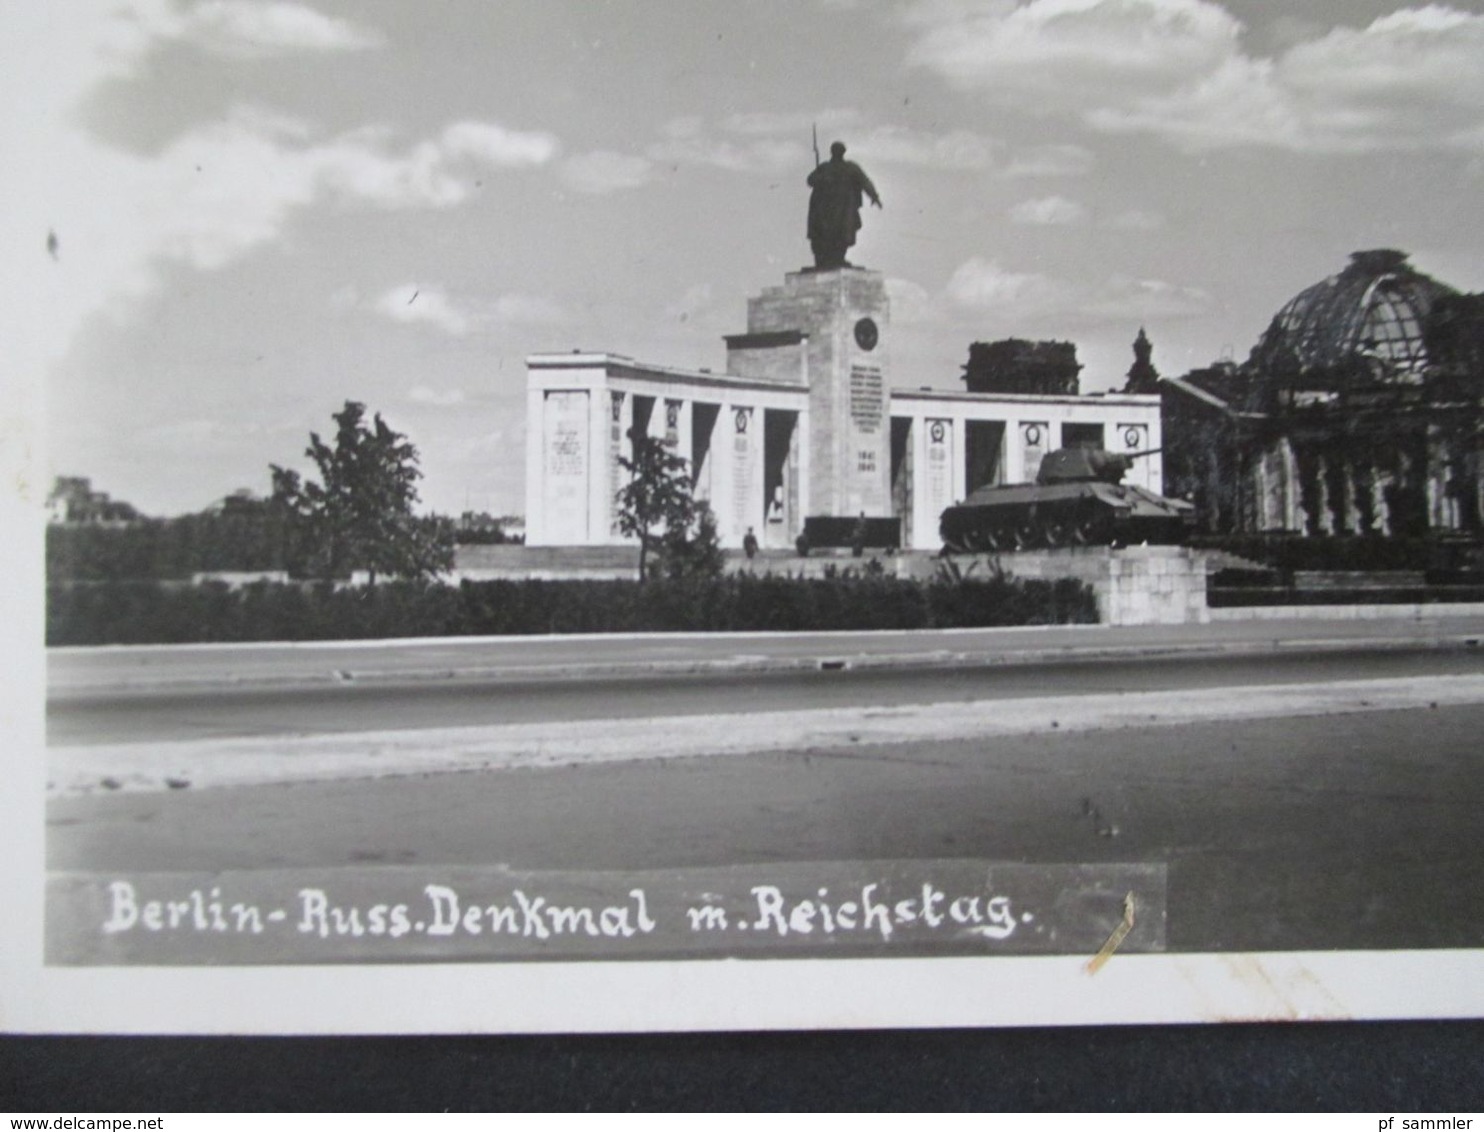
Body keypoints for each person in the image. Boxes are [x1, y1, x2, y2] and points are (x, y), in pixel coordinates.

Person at [806, 141, 881, 270]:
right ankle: (826, 261)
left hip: (844, 210)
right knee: (825, 235)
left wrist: (874, 196)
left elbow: (864, 182)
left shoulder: (850, 168)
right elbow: (810, 180)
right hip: (825, 210)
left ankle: (838, 259)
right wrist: (821, 176)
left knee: (843, 234)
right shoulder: (825, 167)